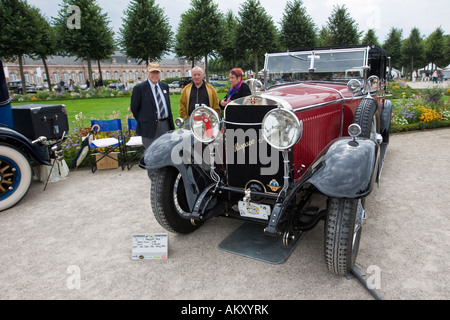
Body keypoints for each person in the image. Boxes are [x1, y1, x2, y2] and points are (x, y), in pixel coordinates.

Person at [130, 61, 174, 152]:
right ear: (148, 73)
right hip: (149, 127)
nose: (155, 75)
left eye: (157, 72)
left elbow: (168, 106)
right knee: (151, 154)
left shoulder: (164, 86)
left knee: (165, 152)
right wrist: (144, 120)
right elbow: (134, 109)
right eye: (152, 72)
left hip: (165, 125)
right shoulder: (139, 89)